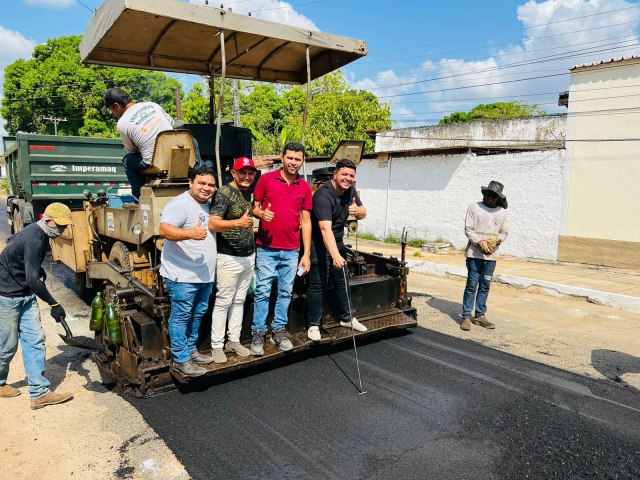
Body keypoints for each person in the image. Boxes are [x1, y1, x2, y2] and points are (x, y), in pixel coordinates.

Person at [0, 202, 74, 409]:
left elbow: (17, 251)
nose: (61, 230)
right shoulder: (34, 238)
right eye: (59, 225)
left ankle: (39, 393)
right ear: (48, 219)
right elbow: (33, 280)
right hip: (7, 296)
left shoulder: (40, 234)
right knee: (7, 344)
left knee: (35, 340)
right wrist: (54, 303)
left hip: (25, 294)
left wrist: (34, 268)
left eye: (65, 226)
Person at [250, 142, 312, 355]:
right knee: (263, 291)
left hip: (292, 250)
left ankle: (278, 330)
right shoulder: (266, 179)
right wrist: (260, 214)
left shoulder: (304, 187)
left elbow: (306, 220)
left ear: (302, 161)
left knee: (285, 292)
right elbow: (255, 207)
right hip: (267, 248)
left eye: (297, 159)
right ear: (282, 158)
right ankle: (258, 332)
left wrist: (306, 254)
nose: (293, 162)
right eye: (290, 158)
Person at [159, 166, 218, 377]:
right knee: (181, 316)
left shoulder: (210, 205)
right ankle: (181, 359)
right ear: (190, 183)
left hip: (204, 273)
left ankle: (190, 350)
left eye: (211, 184)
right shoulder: (180, 204)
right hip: (182, 274)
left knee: (198, 312)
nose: (206, 188)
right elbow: (164, 230)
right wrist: (190, 234)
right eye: (202, 183)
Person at [307, 159, 368, 338]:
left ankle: (347, 317)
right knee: (318, 284)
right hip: (319, 244)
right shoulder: (323, 195)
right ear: (335, 174)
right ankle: (313, 325)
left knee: (342, 281)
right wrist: (335, 256)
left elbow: (363, 211)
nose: (348, 179)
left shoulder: (350, 190)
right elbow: (325, 230)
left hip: (338, 241)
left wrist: (358, 212)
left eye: (351, 176)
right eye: (344, 174)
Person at [208, 157, 257, 363]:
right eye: (242, 172)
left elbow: (249, 213)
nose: (246, 176)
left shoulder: (246, 193)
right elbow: (213, 223)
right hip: (228, 257)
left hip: (248, 256)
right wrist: (239, 222)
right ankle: (217, 346)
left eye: (250, 173)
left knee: (239, 301)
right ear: (233, 173)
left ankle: (234, 340)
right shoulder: (224, 192)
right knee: (223, 302)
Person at [103, 87, 175, 200]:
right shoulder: (153, 105)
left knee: (127, 160)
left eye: (111, 109)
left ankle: (138, 199)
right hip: (175, 155)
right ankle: (199, 173)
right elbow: (172, 124)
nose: (112, 113)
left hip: (154, 163)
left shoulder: (122, 123)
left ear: (116, 106)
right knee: (191, 140)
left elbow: (131, 150)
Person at [460, 180, 509, 331]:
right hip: (474, 254)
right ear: (484, 194)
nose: (490, 197)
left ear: (498, 198)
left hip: (491, 257)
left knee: (485, 286)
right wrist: (479, 242)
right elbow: (468, 229)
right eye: (488, 194)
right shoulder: (474, 208)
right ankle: (466, 316)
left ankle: (480, 315)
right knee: (471, 285)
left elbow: (504, 232)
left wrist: (496, 240)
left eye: (494, 196)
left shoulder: (502, 212)